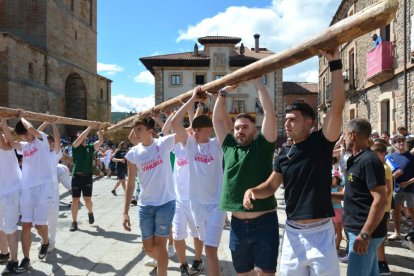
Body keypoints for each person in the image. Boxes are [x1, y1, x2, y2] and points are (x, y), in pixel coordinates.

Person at [242, 48, 344, 275]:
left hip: (321, 233)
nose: (287, 125)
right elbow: (270, 186)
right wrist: (253, 191)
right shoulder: (284, 154)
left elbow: (336, 109)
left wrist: (335, 63)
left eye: (293, 120)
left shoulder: (322, 142)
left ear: (309, 123)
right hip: (293, 233)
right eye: (286, 120)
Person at [213, 76, 278, 276]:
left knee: (266, 273)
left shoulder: (263, 146)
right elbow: (216, 119)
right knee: (243, 273)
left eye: (245, 127)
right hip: (238, 225)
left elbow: (270, 114)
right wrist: (223, 94)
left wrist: (258, 83)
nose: (240, 130)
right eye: (237, 128)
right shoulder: (229, 147)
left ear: (254, 130)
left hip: (264, 222)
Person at [171, 87, 226, 276]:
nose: (194, 133)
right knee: (208, 247)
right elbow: (174, 123)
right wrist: (192, 99)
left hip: (216, 205)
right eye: (195, 130)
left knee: (210, 249)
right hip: (197, 206)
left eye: (207, 129)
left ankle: (213, 270)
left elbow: (221, 123)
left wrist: (220, 99)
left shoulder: (216, 145)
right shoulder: (190, 146)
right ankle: (212, 268)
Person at [123, 116, 177, 276]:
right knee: (148, 248)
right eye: (134, 129)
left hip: (165, 202)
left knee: (160, 245)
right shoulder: (133, 153)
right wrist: (125, 212)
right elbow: (131, 184)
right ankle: (160, 259)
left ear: (150, 131)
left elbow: (186, 132)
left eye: (139, 129)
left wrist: (187, 107)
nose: (135, 133)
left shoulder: (163, 143)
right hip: (145, 204)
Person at [1, 115, 56, 272]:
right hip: (27, 188)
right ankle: (26, 259)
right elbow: (10, 143)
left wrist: (21, 116)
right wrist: (4, 121)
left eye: (26, 133)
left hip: (44, 187)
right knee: (25, 224)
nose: (26, 136)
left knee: (39, 224)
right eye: (23, 135)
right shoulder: (24, 146)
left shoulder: (42, 140)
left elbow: (31, 129)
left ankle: (45, 241)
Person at [340, 118, 388, 276]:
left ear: (352, 135)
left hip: (364, 233)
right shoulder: (355, 160)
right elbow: (351, 194)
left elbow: (381, 199)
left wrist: (365, 234)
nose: (343, 139)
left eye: (345, 135)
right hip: (360, 232)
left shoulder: (369, 161)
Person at [70, 125, 104, 232]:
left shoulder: (90, 147)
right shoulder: (75, 146)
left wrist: (98, 130)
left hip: (87, 177)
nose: (82, 137)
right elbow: (80, 139)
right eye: (80, 136)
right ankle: (74, 222)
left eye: (84, 136)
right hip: (76, 176)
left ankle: (90, 212)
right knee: (75, 200)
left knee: (87, 199)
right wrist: (90, 127)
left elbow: (101, 141)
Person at [0, 125, 21, 275]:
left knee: (10, 227)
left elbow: (6, 142)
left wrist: (3, 121)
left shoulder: (7, 144)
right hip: (2, 190)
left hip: (11, 191)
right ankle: (4, 253)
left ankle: (14, 261)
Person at [371, 141, 393, 275]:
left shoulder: (384, 168)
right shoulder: (380, 166)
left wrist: (379, 204)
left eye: (376, 154)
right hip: (382, 207)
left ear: (383, 154)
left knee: (379, 237)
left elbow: (388, 189)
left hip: (382, 209)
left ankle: (382, 263)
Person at [387, 134, 414, 240]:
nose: (401, 143)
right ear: (394, 144)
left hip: (410, 188)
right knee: (396, 210)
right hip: (395, 188)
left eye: (403, 140)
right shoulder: (390, 157)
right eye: (398, 141)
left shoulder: (412, 157)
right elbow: (387, 175)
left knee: (411, 209)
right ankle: (396, 232)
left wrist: (408, 183)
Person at [331, 170, 344, 252]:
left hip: (337, 211)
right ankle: (332, 246)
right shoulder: (330, 187)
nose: (331, 179)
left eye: (333, 177)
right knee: (331, 229)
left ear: (337, 178)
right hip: (330, 210)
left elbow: (338, 200)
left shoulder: (340, 188)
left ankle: (336, 247)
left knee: (338, 229)